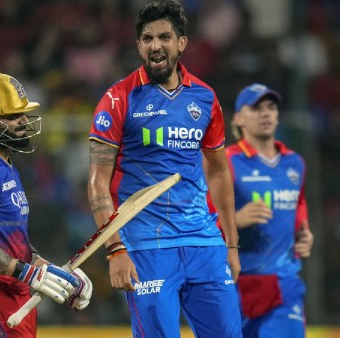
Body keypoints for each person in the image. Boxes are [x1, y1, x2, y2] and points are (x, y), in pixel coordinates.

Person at [87, 1, 242, 337]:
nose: (155, 45)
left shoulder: (205, 98)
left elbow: (218, 170)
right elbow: (98, 185)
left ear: (181, 43)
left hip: (204, 243)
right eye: (147, 38)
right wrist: (114, 250)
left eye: (164, 37)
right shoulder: (117, 99)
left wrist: (230, 243)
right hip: (146, 247)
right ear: (139, 46)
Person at [0, 72, 92, 338]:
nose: (24, 121)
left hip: (13, 296)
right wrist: (26, 273)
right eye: (13, 115)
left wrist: (47, 270)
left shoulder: (4, 166)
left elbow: (10, 241)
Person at [224, 83, 314, 337]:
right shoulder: (226, 162)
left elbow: (299, 203)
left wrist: (303, 232)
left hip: (283, 283)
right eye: (256, 108)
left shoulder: (294, 163)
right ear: (238, 118)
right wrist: (235, 220)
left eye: (271, 107)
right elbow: (199, 215)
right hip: (234, 285)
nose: (266, 114)